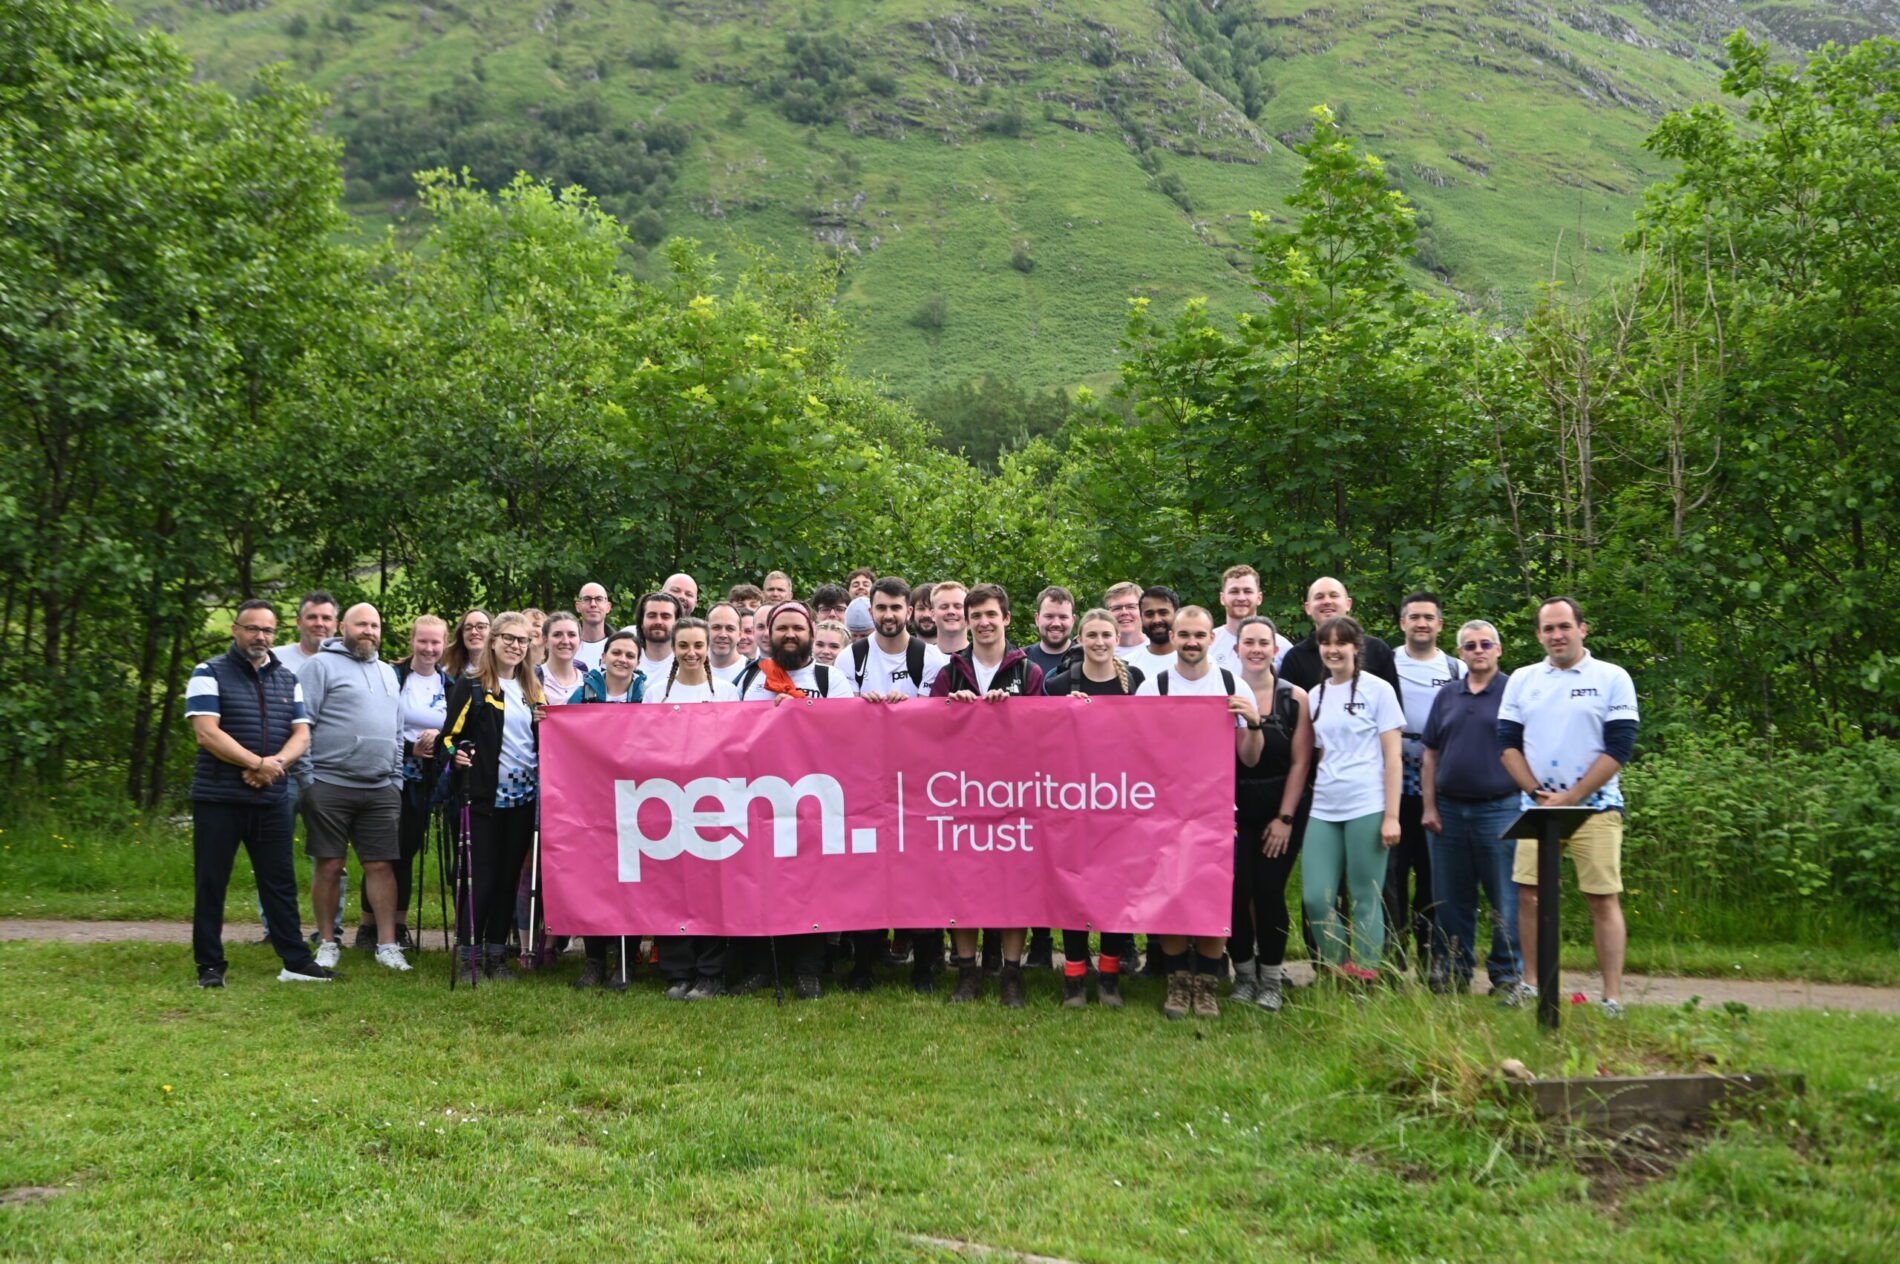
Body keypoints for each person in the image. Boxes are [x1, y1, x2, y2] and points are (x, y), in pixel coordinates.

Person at [1498, 597, 1639, 1016]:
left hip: (1596, 807)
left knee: (1602, 898)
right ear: (1539, 634)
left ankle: (1611, 997)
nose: (1556, 635)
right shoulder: (1523, 679)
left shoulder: (1611, 677)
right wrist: (1539, 793)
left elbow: (1620, 746)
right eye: (1548, 629)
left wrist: (1574, 796)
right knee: (1529, 896)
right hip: (1538, 808)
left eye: (1564, 626)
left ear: (1583, 628)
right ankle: (1531, 984)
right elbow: (1506, 742)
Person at [186, 600, 330, 986]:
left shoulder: (287, 678)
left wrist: (274, 764)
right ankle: (210, 966)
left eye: (267, 630)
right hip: (219, 799)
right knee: (212, 882)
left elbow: (302, 733)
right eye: (252, 629)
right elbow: (206, 732)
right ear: (235, 630)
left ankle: (296, 962)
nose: (260, 637)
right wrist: (255, 762)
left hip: (269, 797)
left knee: (279, 881)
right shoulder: (208, 672)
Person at [1134, 606, 1263, 1018]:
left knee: (1212, 897)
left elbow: (1251, 759)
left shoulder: (1230, 683)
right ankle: (1178, 985)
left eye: (1200, 635)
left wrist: (1255, 724)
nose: (1191, 642)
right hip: (1164, 812)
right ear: (1173, 635)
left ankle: (1206, 985)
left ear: (1212, 639)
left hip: (1217, 812)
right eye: (1184, 634)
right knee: (1170, 897)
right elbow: (1134, 751)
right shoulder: (1154, 687)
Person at [931, 584, 1048, 1007]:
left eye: (990, 615)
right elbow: (928, 736)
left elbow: (1043, 736)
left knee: (1013, 886)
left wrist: (1010, 714)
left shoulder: (1028, 672)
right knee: (962, 884)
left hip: (1013, 797)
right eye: (975, 615)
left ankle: (1011, 975)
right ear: (966, 621)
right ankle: (967, 973)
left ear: (1007, 619)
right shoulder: (949, 673)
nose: (983, 622)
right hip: (960, 796)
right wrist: (951, 707)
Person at [731, 602, 854, 1000]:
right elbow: (735, 734)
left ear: (810, 632)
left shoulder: (830, 678)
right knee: (759, 882)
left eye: (796, 628)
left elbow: (845, 730)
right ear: (768, 632)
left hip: (815, 797)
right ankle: (760, 967)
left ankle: (808, 970)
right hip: (762, 796)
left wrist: (800, 712)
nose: (789, 634)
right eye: (781, 627)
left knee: (810, 885)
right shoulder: (752, 678)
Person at [844, 576, 949, 992]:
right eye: (881, 608)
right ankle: (864, 964)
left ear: (910, 611)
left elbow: (940, 723)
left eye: (896, 608)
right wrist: (859, 710)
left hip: (919, 784)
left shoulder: (932, 658)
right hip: (866, 783)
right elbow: (837, 721)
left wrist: (913, 713)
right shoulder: (851, 658)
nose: (888, 615)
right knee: (867, 874)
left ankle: (925, 965)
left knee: (921, 875)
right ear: (871, 612)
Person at [1044, 608, 1147, 1007]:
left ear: (1116, 638)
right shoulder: (1057, 685)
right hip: (1071, 803)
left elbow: (1147, 739)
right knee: (1074, 888)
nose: (1100, 641)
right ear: (1080, 639)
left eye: (1107, 634)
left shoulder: (1135, 682)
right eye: (1092, 635)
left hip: (1120, 802)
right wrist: (1064, 714)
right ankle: (1073, 976)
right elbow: (1042, 742)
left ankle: (1108, 976)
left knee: (1114, 890)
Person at [300, 603, 410, 972]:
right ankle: (328, 941)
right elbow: (303, 724)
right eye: (361, 623)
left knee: (381, 865)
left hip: (380, 787)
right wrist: (308, 779)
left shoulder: (388, 672)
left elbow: (397, 732)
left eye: (375, 625)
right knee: (330, 865)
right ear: (343, 626)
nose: (369, 630)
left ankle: (387, 944)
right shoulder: (319, 665)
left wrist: (395, 779)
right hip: (329, 783)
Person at [1419, 619, 1522, 997]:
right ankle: (1454, 970)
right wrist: (1429, 807)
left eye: (1485, 644)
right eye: (1470, 646)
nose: (1478, 651)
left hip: (1501, 809)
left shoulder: (1516, 692)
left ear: (1499, 649)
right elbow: (1430, 754)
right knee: (1451, 899)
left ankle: (1507, 975)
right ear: (1459, 653)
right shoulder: (1447, 695)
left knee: (1505, 897)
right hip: (1447, 810)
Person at [441, 611, 544, 981]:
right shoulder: (472, 685)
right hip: (483, 799)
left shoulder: (533, 689)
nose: (516, 646)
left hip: (522, 799)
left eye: (523, 641)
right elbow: (448, 739)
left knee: (506, 879)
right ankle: (469, 953)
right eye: (509, 639)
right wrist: (459, 754)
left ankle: (496, 955)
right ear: (493, 641)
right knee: (478, 878)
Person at [1302, 616, 1405, 984]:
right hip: (1325, 807)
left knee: (1365, 896)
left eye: (1341, 642)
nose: (1333, 649)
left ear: (1356, 647)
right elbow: (1316, 755)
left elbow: (1393, 757)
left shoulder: (1379, 691)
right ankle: (1335, 966)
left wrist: (1392, 816)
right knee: (1316, 897)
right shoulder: (1315, 696)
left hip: (1368, 804)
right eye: (1326, 643)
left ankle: (1365, 975)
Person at [641, 618, 738, 997]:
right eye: (684, 646)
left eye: (698, 645)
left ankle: (711, 971)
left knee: (712, 888)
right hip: (667, 800)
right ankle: (678, 971)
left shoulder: (728, 693)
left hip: (714, 800)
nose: (692, 653)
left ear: (709, 646)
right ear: (675, 648)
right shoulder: (654, 693)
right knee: (671, 886)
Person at [1228, 616, 1314, 1013]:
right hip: (1232, 810)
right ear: (1237, 648)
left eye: (1264, 642)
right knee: (1235, 891)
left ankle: (1272, 978)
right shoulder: (1223, 692)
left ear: (1276, 649)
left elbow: (1301, 763)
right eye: (1249, 642)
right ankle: (1243, 974)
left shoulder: (1295, 697)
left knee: (1268, 892)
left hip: (1280, 808)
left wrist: (1285, 818)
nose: (1257, 649)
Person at [1388, 591, 1466, 977]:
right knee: (1392, 871)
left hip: (1439, 783)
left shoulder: (1457, 669)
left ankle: (1432, 951)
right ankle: (1392, 951)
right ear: (1402, 623)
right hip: (1392, 784)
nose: (1421, 623)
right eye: (1414, 617)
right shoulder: (1385, 661)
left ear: (1440, 625)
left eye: (1428, 617)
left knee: (1435, 874)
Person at [566, 631, 648, 990]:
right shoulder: (583, 691)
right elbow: (562, 731)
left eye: (630, 654)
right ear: (604, 656)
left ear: (638, 662)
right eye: (617, 652)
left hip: (635, 797)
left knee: (631, 880)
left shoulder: (646, 696)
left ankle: (626, 961)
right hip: (591, 799)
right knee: (594, 880)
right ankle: (594, 960)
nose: (623, 659)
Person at [270, 589, 343, 938]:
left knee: (330, 858)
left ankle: (330, 929)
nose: (319, 624)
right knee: (274, 853)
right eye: (312, 617)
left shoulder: (348, 661)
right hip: (280, 772)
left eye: (327, 618)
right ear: (299, 621)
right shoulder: (276, 659)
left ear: (337, 624)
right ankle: (277, 927)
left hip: (327, 775)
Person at [381, 614, 449, 953]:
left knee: (407, 850)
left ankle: (398, 923)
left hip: (427, 780)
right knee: (383, 852)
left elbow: (455, 732)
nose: (429, 648)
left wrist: (439, 741)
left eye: (435, 642)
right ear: (412, 641)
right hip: (390, 775)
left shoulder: (448, 683)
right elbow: (378, 722)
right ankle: (370, 926)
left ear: (445, 644)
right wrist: (411, 748)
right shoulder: (394, 677)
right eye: (423, 641)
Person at [1276, 578, 1403, 701]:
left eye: (1334, 595)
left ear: (1348, 604)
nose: (1327, 601)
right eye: (1319, 597)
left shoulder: (1377, 650)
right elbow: (1288, 713)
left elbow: (1394, 708)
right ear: (1308, 608)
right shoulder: (1295, 657)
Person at [1124, 585, 1180, 680]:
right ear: (1141, 617)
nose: (1156, 620)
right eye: (1149, 614)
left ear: (1177, 615)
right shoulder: (1127, 665)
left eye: (1163, 613)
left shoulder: (1199, 662)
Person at [1023, 585, 1076, 680]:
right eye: (1049, 616)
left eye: (1063, 617)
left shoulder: (1087, 659)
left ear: (1073, 620)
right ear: (1037, 619)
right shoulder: (1020, 661)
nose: (1056, 623)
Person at [626, 591, 681, 677]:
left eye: (665, 616)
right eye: (652, 616)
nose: (658, 622)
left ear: (677, 623)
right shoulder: (625, 662)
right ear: (641, 622)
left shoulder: (686, 664)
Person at [537, 611, 587, 706]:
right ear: (545, 640)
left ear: (579, 641)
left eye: (572, 635)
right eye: (557, 635)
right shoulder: (530, 679)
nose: (565, 641)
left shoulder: (591, 684)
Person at [442, 608, 491, 681]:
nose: (474, 632)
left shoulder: (503, 672)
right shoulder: (448, 674)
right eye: (468, 628)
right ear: (461, 635)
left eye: (481, 627)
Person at [706, 602, 749, 683]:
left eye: (730, 628)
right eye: (716, 627)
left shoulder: (751, 672)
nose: (723, 635)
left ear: (739, 635)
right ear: (705, 631)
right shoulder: (691, 669)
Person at [574, 583, 613, 670]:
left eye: (599, 599)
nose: (593, 604)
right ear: (578, 606)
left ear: (608, 607)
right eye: (587, 599)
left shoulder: (619, 647)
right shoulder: (566, 645)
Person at [930, 580, 970, 657]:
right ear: (933, 614)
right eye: (944, 607)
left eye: (958, 606)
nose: (951, 611)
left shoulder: (982, 658)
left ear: (968, 612)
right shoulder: (921, 659)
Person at [1104, 582, 1145, 656]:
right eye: (1117, 608)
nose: (1124, 612)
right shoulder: (1097, 653)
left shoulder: (1160, 648)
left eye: (1131, 607)